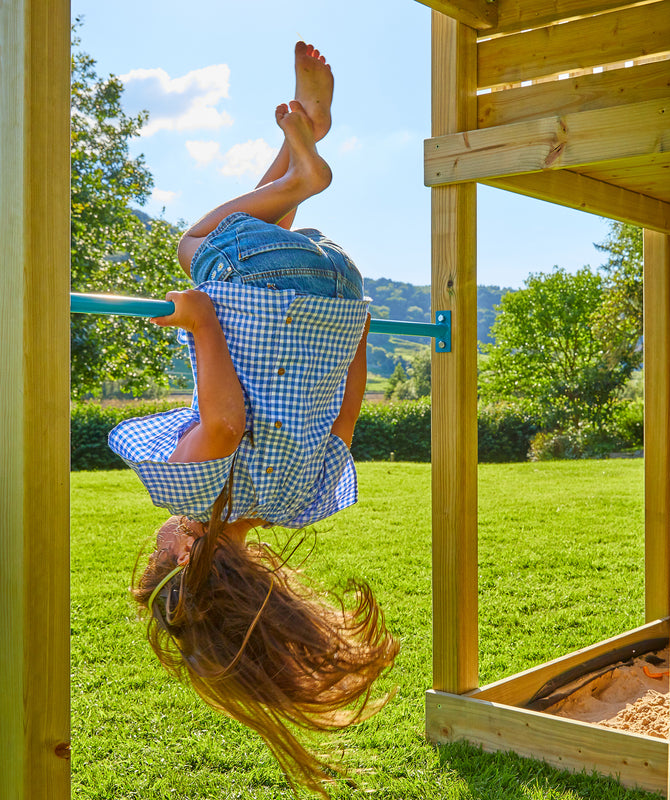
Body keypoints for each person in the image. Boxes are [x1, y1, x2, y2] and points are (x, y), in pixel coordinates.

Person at [109, 43, 398, 796]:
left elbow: (345, 420)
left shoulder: (298, 500)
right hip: (263, 280)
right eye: (163, 547)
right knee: (193, 248)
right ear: (188, 547)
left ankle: (305, 135)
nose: (161, 533)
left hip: (334, 287)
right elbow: (226, 422)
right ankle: (306, 163)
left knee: (249, 249)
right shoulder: (191, 492)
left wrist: (357, 336)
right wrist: (202, 325)